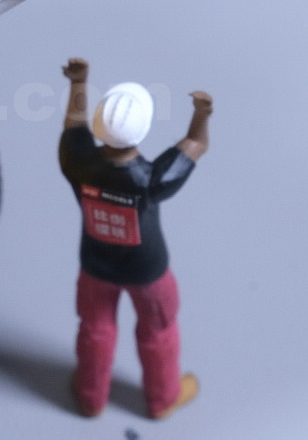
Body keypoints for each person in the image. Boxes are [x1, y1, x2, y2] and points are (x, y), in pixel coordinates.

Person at [59, 57, 212, 420]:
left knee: (94, 330)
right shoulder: (152, 180)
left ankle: (90, 397)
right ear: (142, 129)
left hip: (95, 265)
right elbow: (196, 143)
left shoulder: (77, 163)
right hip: (148, 270)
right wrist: (202, 113)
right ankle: (163, 399)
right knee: (159, 332)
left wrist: (78, 82)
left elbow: (73, 126)